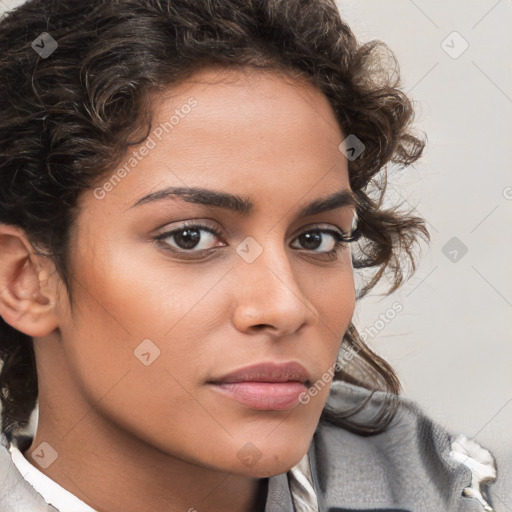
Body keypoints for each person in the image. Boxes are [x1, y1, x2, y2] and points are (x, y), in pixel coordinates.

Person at [0, 0, 499, 511]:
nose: (285, 307)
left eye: (316, 238)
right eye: (190, 237)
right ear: (26, 280)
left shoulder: (440, 487)